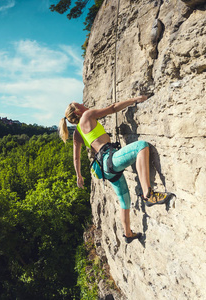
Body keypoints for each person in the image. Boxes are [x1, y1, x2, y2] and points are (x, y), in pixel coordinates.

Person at [59, 95, 169, 243]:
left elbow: (76, 158)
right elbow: (112, 108)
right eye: (79, 104)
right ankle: (148, 193)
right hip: (110, 159)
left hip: (105, 169)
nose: (83, 104)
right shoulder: (87, 114)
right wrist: (134, 100)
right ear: (78, 112)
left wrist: (79, 176)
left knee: (124, 201)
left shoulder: (77, 133)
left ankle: (128, 234)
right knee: (141, 146)